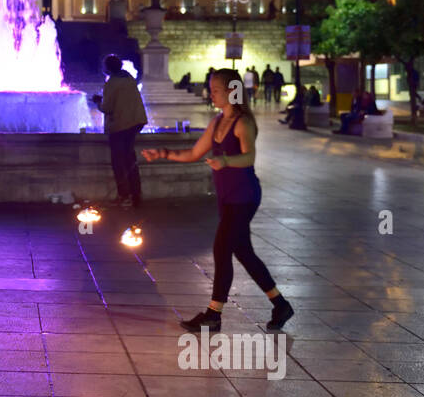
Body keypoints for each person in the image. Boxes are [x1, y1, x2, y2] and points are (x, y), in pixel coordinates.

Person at [141, 69, 292, 332]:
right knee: (243, 252)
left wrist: (225, 161)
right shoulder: (217, 122)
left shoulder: (243, 122)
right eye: (211, 89)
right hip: (227, 197)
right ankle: (280, 304)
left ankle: (214, 314)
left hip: (244, 196)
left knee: (222, 249)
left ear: (232, 91)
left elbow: (249, 157)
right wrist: (163, 152)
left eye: (216, 90)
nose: (211, 94)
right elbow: (194, 153)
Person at [90, 55, 147, 207]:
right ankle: (136, 195)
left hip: (120, 125)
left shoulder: (112, 82)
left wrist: (97, 101)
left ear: (107, 68)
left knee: (118, 161)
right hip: (135, 122)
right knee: (130, 158)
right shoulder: (128, 79)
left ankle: (124, 195)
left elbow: (107, 108)